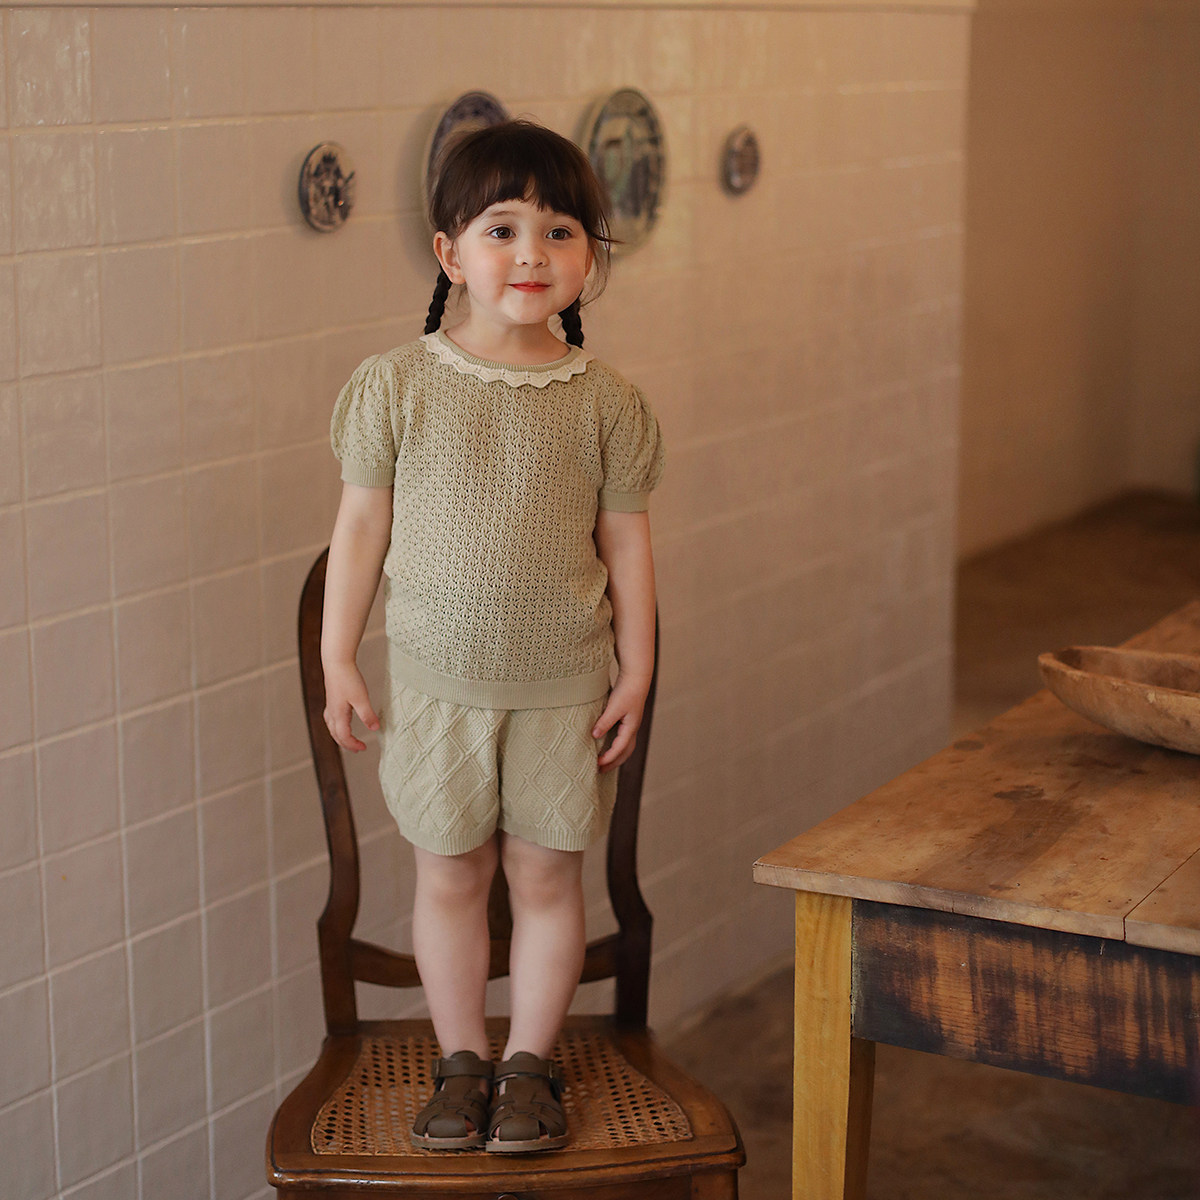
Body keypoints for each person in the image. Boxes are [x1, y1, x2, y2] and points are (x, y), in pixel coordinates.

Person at [321, 120, 664, 1154]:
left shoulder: (608, 403)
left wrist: (638, 668)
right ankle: (463, 1060)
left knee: (548, 881)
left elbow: (628, 545)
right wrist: (339, 654)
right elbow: (359, 529)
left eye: (560, 232)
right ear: (450, 253)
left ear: (590, 259)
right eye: (502, 228)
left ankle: (528, 1067)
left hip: (565, 691)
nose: (530, 254)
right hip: (437, 692)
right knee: (450, 879)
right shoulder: (396, 385)